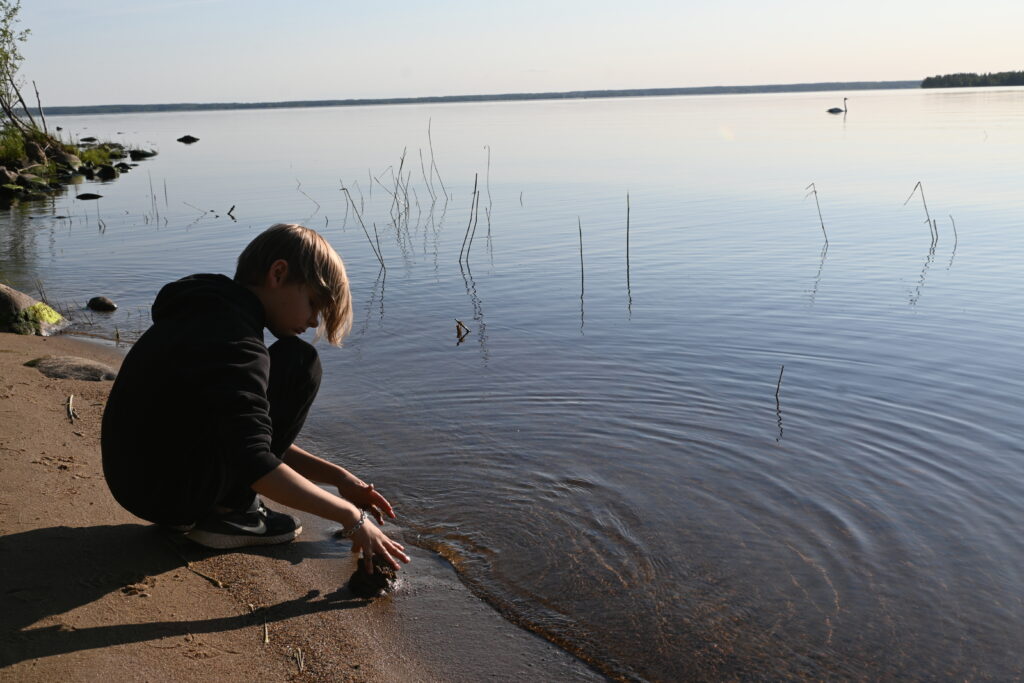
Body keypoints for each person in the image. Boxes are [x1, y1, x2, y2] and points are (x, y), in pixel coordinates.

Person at [101, 223, 409, 574]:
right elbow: (253, 459)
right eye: (313, 304)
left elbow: (239, 432)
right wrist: (351, 517)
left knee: (293, 362)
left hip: (141, 482)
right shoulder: (237, 346)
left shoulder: (206, 313)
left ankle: (219, 508)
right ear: (278, 273)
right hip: (169, 495)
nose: (312, 322)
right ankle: (233, 515)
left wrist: (339, 478)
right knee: (300, 363)